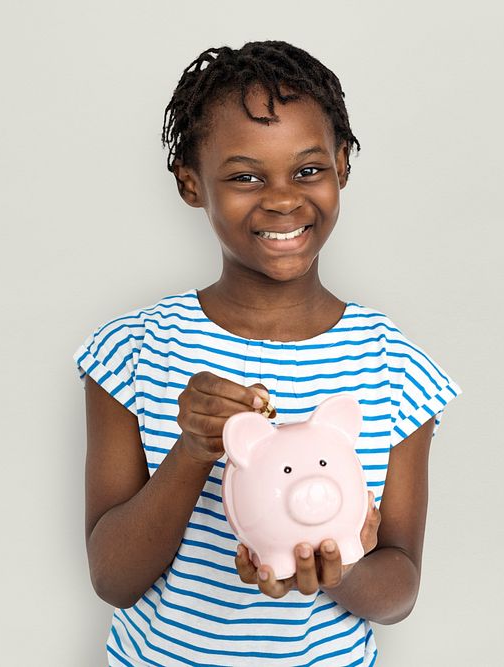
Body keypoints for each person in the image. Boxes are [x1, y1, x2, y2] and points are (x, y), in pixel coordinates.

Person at [72, 40, 463, 667]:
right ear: (191, 183)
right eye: (245, 176)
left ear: (342, 166)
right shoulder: (134, 351)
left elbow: (399, 590)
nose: (282, 199)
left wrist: (338, 567)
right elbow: (112, 579)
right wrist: (195, 448)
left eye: (307, 170)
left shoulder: (393, 364)